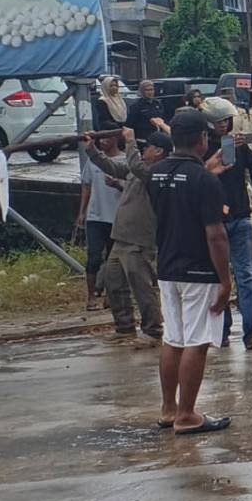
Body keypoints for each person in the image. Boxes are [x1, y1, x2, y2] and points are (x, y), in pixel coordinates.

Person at [147, 108, 232, 435]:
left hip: (167, 267)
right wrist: (225, 280)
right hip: (199, 270)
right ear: (202, 140)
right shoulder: (205, 181)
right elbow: (215, 234)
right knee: (197, 342)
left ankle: (169, 409)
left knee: (174, 339)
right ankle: (187, 415)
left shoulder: (155, 174)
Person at [82, 127, 170, 344]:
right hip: (121, 236)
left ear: (159, 151)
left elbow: (134, 166)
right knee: (114, 283)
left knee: (141, 287)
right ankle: (124, 327)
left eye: (147, 146)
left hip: (139, 239)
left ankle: (152, 330)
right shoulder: (137, 169)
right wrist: (92, 151)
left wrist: (130, 143)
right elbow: (113, 167)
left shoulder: (157, 171)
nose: (143, 149)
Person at [201, 97, 252, 349]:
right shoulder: (202, 150)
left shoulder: (239, 145)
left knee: (247, 277)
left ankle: (251, 330)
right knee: (218, 278)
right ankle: (221, 329)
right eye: (219, 122)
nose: (224, 126)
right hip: (213, 222)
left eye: (226, 121)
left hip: (240, 218)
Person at [78, 124, 124, 311]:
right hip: (96, 216)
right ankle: (91, 297)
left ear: (115, 138)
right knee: (93, 258)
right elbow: (86, 186)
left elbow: (131, 187)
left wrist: (117, 185)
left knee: (114, 261)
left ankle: (111, 295)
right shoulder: (93, 161)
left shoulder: (125, 160)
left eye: (107, 137)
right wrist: (82, 212)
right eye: (100, 139)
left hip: (117, 217)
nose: (103, 141)